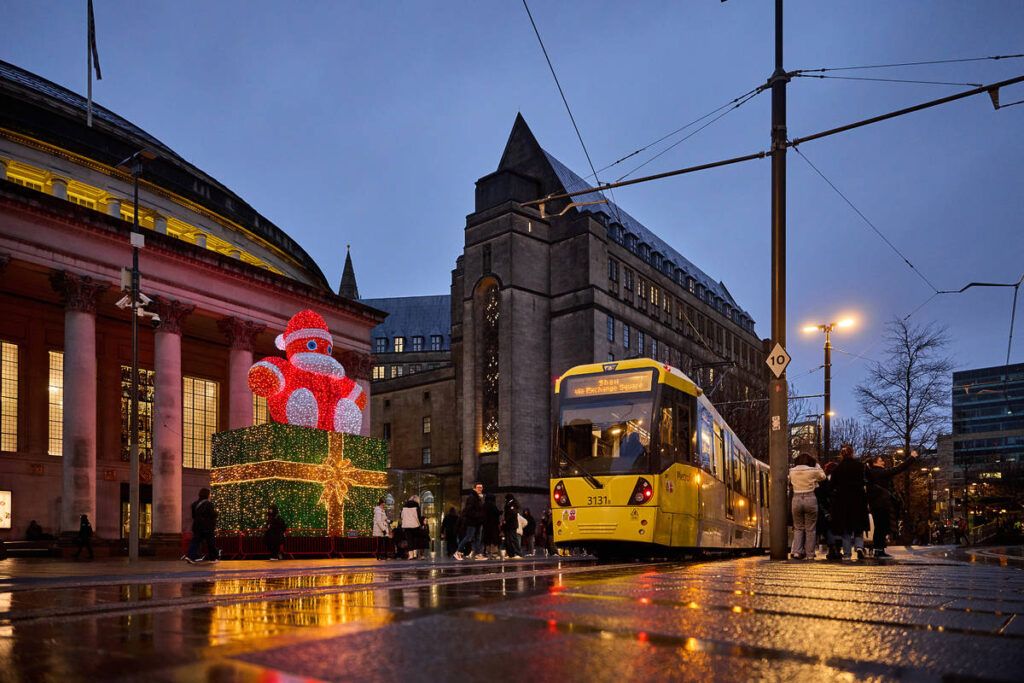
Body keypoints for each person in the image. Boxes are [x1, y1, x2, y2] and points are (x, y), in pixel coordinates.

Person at [866, 450, 918, 558]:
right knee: (881, 527)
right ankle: (879, 550)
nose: (883, 463)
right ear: (875, 463)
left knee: (879, 527)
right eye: (881, 461)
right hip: (882, 504)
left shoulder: (871, 473)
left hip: (875, 504)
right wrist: (911, 458)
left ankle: (879, 549)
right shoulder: (879, 472)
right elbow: (898, 469)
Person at [830, 444, 869, 560]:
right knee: (858, 526)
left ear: (841, 455)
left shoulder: (837, 469)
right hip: (858, 500)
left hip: (842, 502)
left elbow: (831, 486)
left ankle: (847, 554)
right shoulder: (860, 466)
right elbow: (866, 481)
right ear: (852, 453)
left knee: (845, 529)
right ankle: (859, 547)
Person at [789, 453, 825, 560]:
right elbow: (822, 477)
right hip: (810, 498)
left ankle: (797, 552)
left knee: (798, 527)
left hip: (796, 498)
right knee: (810, 529)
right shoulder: (813, 471)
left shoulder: (792, 471)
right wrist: (817, 466)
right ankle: (810, 554)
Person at [184, 488, 219, 564]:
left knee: (195, 542)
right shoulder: (208, 504)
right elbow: (213, 514)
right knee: (210, 542)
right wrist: (216, 514)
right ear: (207, 495)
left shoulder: (194, 504)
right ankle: (213, 558)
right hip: (207, 527)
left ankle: (190, 556)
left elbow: (193, 516)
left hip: (197, 526)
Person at [816, 462, 841, 561]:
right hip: (838, 508)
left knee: (827, 529)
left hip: (826, 508)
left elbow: (820, 494)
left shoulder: (823, 480)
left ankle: (832, 548)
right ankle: (837, 549)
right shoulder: (840, 480)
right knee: (837, 529)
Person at [454, 483, 485, 560]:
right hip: (472, 521)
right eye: (478, 487)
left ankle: (478, 554)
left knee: (478, 538)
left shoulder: (478, 498)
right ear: (474, 488)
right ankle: (458, 552)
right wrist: (477, 516)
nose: (480, 489)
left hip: (478, 522)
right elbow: (469, 510)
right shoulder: (472, 498)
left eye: (481, 487)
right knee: (468, 537)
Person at [400, 495, 427, 560]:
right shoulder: (416, 505)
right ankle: (415, 554)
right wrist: (422, 524)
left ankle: (411, 555)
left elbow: (401, 516)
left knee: (409, 540)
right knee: (416, 540)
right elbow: (418, 516)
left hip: (406, 526)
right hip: (415, 525)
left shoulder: (404, 506)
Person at [502, 493, 523, 559]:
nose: (505, 499)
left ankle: (518, 553)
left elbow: (512, 513)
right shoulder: (508, 503)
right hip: (508, 525)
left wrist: (506, 520)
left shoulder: (513, 503)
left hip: (512, 524)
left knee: (514, 539)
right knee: (508, 540)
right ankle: (510, 554)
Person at [482, 493, 502, 559]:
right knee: (494, 540)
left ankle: (487, 554)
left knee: (487, 540)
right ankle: (494, 554)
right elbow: (497, 514)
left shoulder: (484, 505)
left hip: (485, 525)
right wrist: (501, 512)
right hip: (493, 526)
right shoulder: (493, 505)